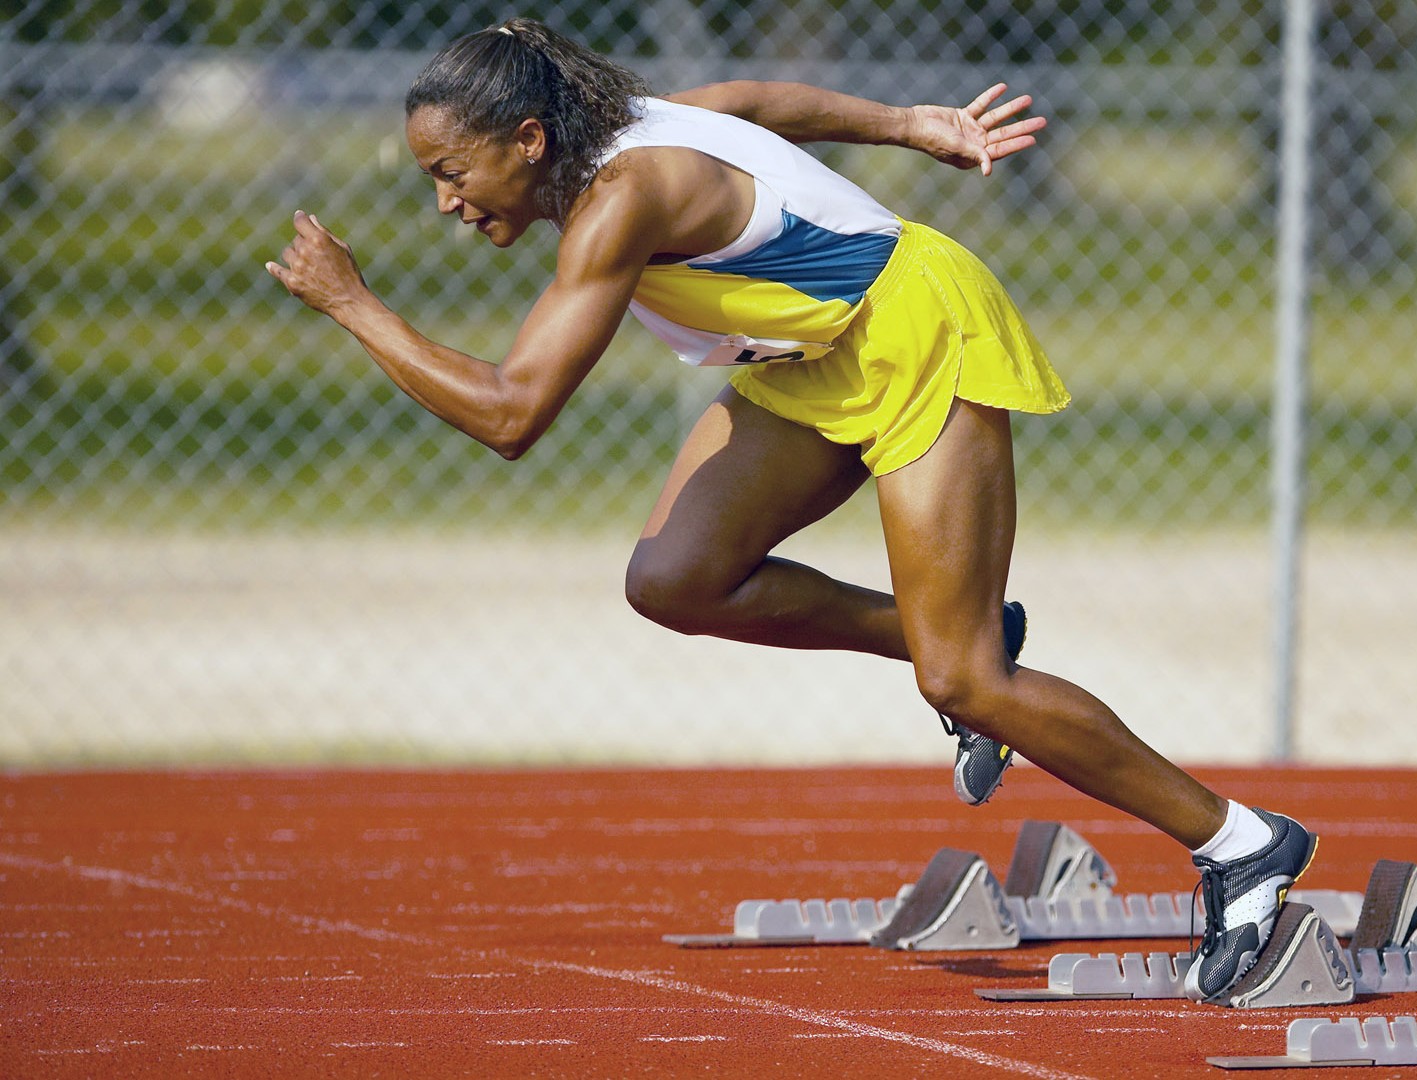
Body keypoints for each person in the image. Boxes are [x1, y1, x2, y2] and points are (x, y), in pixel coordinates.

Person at [266, 17, 1315, 1004]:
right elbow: (757, 102)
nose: (446, 201)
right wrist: (910, 125)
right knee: (677, 579)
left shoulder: (620, 201)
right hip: (811, 362)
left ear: (530, 140)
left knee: (965, 682)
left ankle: (1238, 841)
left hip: (912, 334)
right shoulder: (625, 130)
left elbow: (513, 414)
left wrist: (355, 306)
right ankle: (956, 631)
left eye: (451, 173)